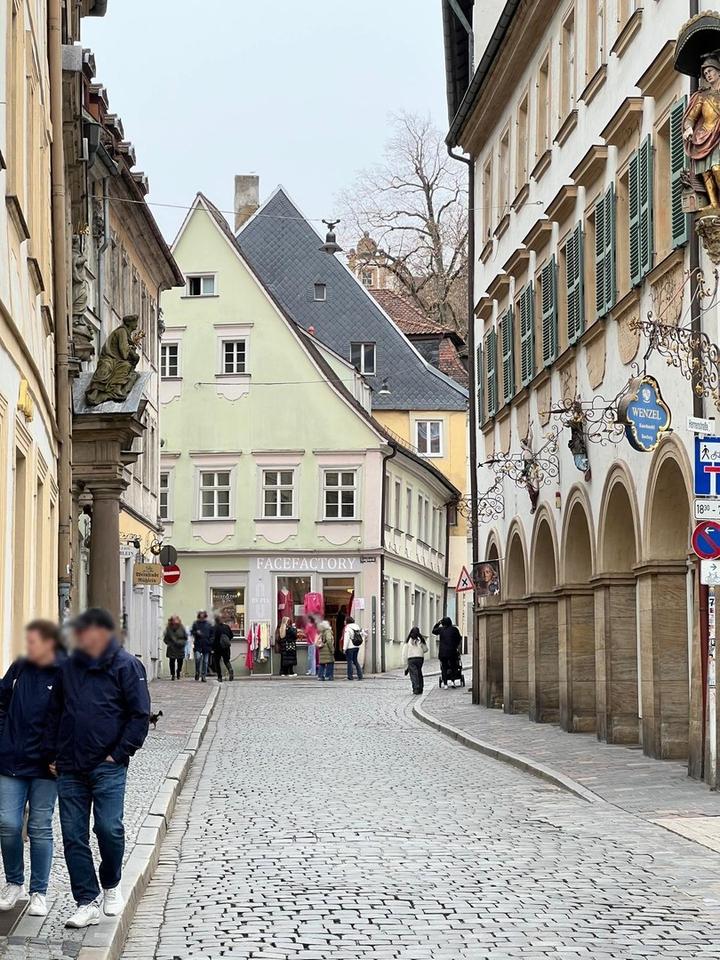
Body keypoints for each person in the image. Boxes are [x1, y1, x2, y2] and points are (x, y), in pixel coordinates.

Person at [45, 608, 150, 929]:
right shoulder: (68, 668)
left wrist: (118, 754)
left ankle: (111, 883)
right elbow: (54, 712)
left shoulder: (126, 666)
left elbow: (139, 715)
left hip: (108, 766)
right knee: (73, 836)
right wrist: (52, 753)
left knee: (109, 828)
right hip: (70, 766)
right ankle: (85, 901)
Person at [0, 620, 65, 917]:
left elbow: (70, 717)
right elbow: (1, 703)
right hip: (11, 759)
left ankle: (39, 892)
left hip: (46, 766)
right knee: (8, 824)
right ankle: (15, 883)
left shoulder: (65, 673)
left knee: (40, 827)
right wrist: (3, 738)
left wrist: (59, 755)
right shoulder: (19, 668)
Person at [433, 616, 463, 689]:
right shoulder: (454, 629)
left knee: (444, 667)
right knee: (453, 666)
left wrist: (438, 623)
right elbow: (459, 638)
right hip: (452, 651)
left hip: (443, 653)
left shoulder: (441, 629)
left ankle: (445, 683)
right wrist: (456, 646)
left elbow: (433, 631)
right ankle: (453, 681)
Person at [403, 627, 428, 695]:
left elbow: (404, 653)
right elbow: (426, 649)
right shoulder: (421, 639)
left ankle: (416, 688)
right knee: (419, 672)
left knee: (414, 674)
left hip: (411, 658)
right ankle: (420, 688)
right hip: (420, 658)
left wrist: (405, 664)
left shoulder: (408, 640)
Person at [191, 611, 213, 682]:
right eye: (200, 615)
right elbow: (192, 632)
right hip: (198, 644)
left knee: (205, 661)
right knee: (197, 658)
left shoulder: (209, 624)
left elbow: (212, 635)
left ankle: (203, 676)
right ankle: (197, 672)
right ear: (199, 616)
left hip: (206, 645)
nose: (202, 616)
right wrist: (196, 633)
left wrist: (210, 641)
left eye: (203, 615)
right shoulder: (195, 624)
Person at [163, 616, 187, 680]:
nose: (175, 622)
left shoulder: (182, 628)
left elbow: (185, 637)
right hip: (172, 648)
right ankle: (173, 674)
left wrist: (182, 643)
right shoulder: (168, 628)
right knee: (172, 661)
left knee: (180, 662)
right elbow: (165, 639)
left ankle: (178, 671)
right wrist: (169, 644)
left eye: (176, 620)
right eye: (173, 620)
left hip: (180, 648)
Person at [212, 616, 234, 682]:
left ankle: (219, 677)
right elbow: (231, 636)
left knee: (217, 662)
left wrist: (212, 648)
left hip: (217, 648)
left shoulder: (214, 628)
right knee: (226, 660)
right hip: (226, 647)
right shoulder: (226, 627)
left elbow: (212, 639)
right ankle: (230, 669)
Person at [342, 617, 364, 681]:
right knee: (355, 661)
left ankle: (350, 676)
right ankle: (360, 675)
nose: (344, 622)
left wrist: (344, 648)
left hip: (350, 647)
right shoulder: (357, 626)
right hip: (356, 646)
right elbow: (361, 634)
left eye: (345, 620)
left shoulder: (347, 628)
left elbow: (346, 639)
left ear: (347, 621)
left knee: (349, 661)